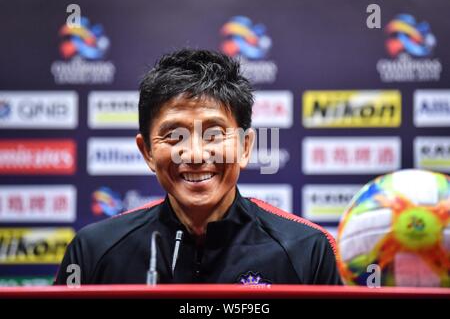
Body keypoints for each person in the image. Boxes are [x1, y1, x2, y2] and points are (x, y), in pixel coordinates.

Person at [54, 49, 341, 285]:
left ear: (244, 147)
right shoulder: (94, 250)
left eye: (214, 134)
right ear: (148, 152)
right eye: (174, 135)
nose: (194, 154)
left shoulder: (307, 249)